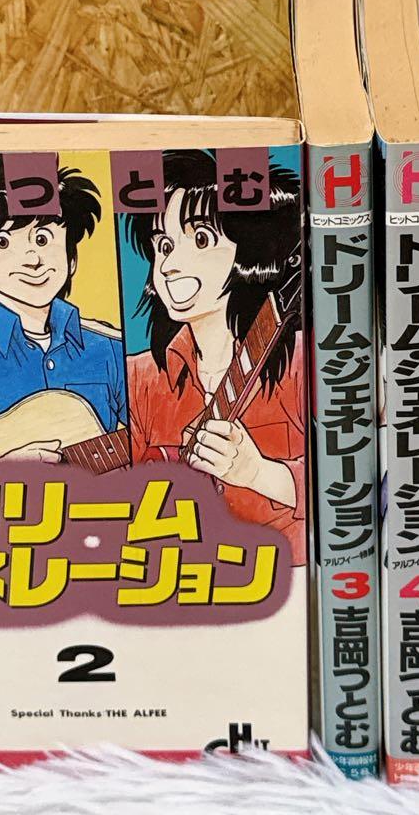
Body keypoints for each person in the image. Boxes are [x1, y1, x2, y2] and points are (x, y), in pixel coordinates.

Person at [124, 149, 306, 563]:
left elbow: (348, 484)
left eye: (201, 239)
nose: (169, 265)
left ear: (252, 254)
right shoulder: (140, 378)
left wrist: (260, 474)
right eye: (164, 245)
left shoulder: (300, 364)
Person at [0, 154, 127, 462]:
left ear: (71, 257)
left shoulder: (110, 348)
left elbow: (152, 440)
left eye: (42, 238)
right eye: (3, 242)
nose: (32, 259)